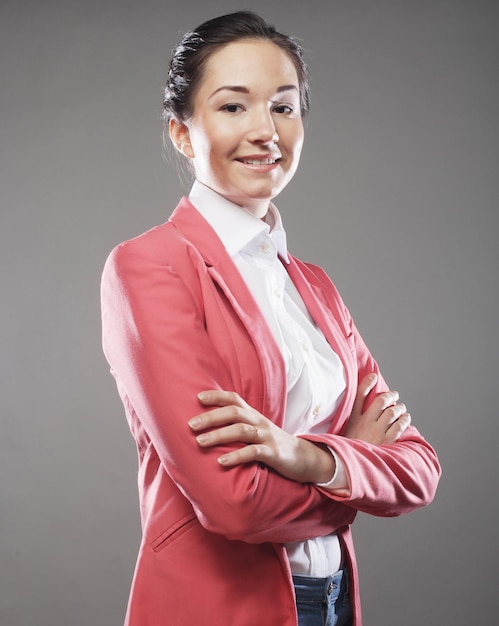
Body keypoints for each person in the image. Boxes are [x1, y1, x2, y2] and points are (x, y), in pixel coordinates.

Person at [101, 11, 440, 626]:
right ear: (183, 131)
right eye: (234, 107)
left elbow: (420, 470)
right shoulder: (149, 268)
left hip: (334, 601)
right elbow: (234, 506)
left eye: (283, 107)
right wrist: (354, 469)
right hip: (221, 609)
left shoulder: (315, 287)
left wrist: (310, 458)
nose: (266, 131)